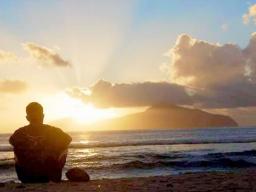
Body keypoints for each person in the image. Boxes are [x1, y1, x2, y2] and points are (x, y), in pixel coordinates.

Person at [9, 102, 72, 183]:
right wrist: (52, 149)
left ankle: (32, 172)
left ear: (27, 118)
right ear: (42, 116)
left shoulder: (19, 133)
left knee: (16, 148)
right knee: (64, 148)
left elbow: (12, 141)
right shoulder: (53, 131)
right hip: (48, 175)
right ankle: (53, 173)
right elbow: (68, 139)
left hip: (26, 176)